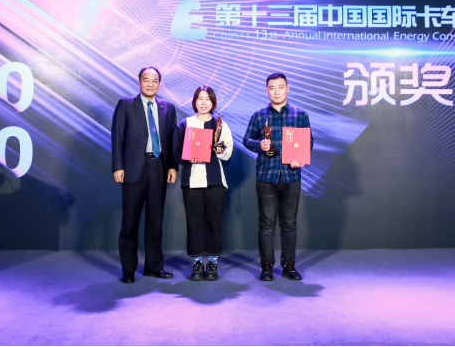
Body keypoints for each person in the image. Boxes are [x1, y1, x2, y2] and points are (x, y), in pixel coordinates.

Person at [111, 67, 178, 284]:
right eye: (146, 80)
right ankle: (128, 270)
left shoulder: (168, 108)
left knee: (155, 222)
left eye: (154, 80)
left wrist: (172, 166)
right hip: (133, 169)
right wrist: (118, 166)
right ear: (139, 82)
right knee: (129, 222)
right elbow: (117, 136)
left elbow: (172, 140)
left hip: (158, 167)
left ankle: (154, 267)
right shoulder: (126, 104)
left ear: (159, 83)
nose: (150, 84)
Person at [243, 73, 313, 282]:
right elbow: (247, 139)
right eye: (272, 88)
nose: (276, 91)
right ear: (267, 90)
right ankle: (266, 266)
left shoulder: (300, 115)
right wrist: (259, 145)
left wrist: (301, 158)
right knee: (266, 224)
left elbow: (308, 141)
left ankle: (288, 265)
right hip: (267, 176)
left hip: (292, 176)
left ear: (287, 88)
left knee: (289, 224)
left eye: (280, 87)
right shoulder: (259, 116)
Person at [172, 86, 234, 281]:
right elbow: (176, 150)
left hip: (215, 181)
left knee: (214, 223)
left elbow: (228, 150)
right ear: (194, 101)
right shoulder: (185, 124)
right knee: (194, 224)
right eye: (200, 98)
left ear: (213, 102)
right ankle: (197, 264)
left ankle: (213, 264)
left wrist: (219, 150)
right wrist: (187, 158)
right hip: (191, 182)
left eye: (208, 99)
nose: (204, 102)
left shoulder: (220, 125)